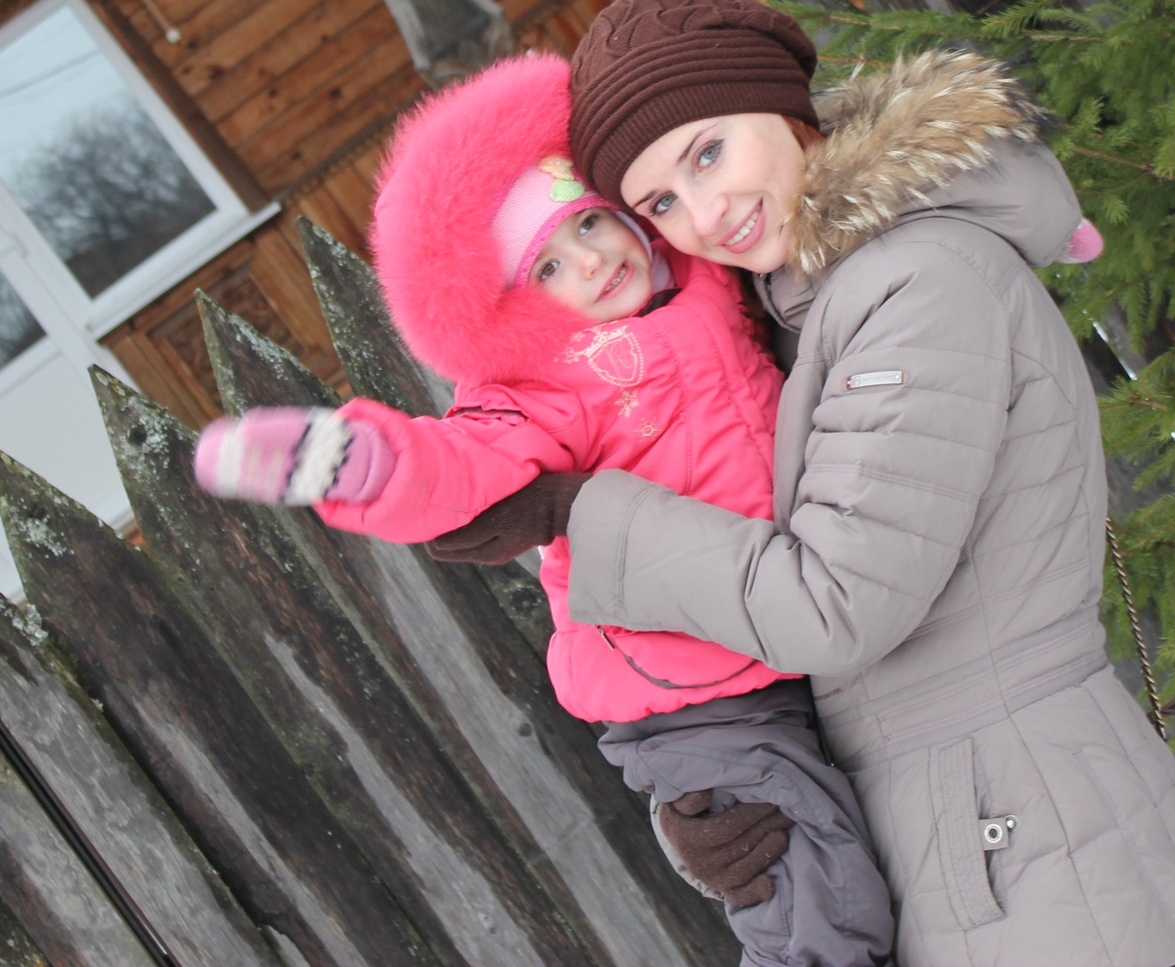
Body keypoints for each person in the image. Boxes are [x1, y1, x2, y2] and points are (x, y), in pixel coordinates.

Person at [426, 0, 1175, 967]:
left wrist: (580, 513)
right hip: (972, 854)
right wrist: (733, 797)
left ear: (779, 105)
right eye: (661, 201)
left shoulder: (917, 285)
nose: (705, 212)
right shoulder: (795, 314)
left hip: (1045, 859)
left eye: (708, 152)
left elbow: (834, 605)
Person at [189, 51, 898, 967]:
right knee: (812, 894)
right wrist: (362, 463)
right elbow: (462, 462)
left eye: (591, 222)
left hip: (802, 622)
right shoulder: (538, 387)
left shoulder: (709, 276)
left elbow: (829, 201)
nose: (593, 261)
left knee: (891, 841)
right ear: (514, 308)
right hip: (693, 692)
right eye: (549, 265)